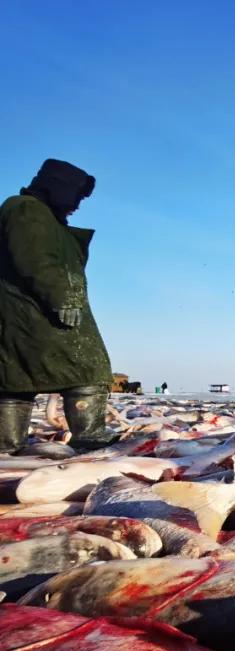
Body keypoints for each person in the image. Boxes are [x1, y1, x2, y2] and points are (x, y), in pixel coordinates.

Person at [0, 159, 113, 453]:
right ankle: (90, 435)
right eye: (75, 195)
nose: (77, 203)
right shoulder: (26, 209)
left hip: (26, 314)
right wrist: (63, 297)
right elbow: (35, 258)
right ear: (57, 188)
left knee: (16, 377)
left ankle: (7, 445)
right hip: (38, 311)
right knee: (90, 367)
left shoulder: (39, 215)